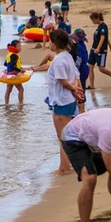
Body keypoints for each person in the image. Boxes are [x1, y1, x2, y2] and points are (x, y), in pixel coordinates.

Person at [30, 29, 84, 174]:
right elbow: (76, 77)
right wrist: (75, 90)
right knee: (67, 135)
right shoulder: (67, 56)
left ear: (55, 43)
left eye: (50, 41)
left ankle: (64, 167)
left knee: (62, 137)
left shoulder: (59, 60)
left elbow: (63, 81)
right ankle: (68, 165)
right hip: (69, 100)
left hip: (62, 101)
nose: (49, 44)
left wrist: (73, 89)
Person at [87, 12, 111, 89]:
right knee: (90, 66)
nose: (93, 22)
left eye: (93, 20)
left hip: (101, 50)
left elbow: (103, 38)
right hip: (93, 49)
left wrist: (99, 48)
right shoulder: (99, 27)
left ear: (97, 18)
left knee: (101, 68)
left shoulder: (103, 27)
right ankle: (91, 85)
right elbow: (106, 38)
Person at [3, 40, 26, 104]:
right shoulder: (14, 55)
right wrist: (20, 70)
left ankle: (6, 104)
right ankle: (21, 104)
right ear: (13, 47)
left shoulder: (9, 54)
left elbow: (5, 64)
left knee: (8, 90)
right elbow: (13, 66)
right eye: (18, 46)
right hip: (14, 75)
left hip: (9, 75)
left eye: (20, 46)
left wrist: (7, 69)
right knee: (21, 89)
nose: (20, 48)